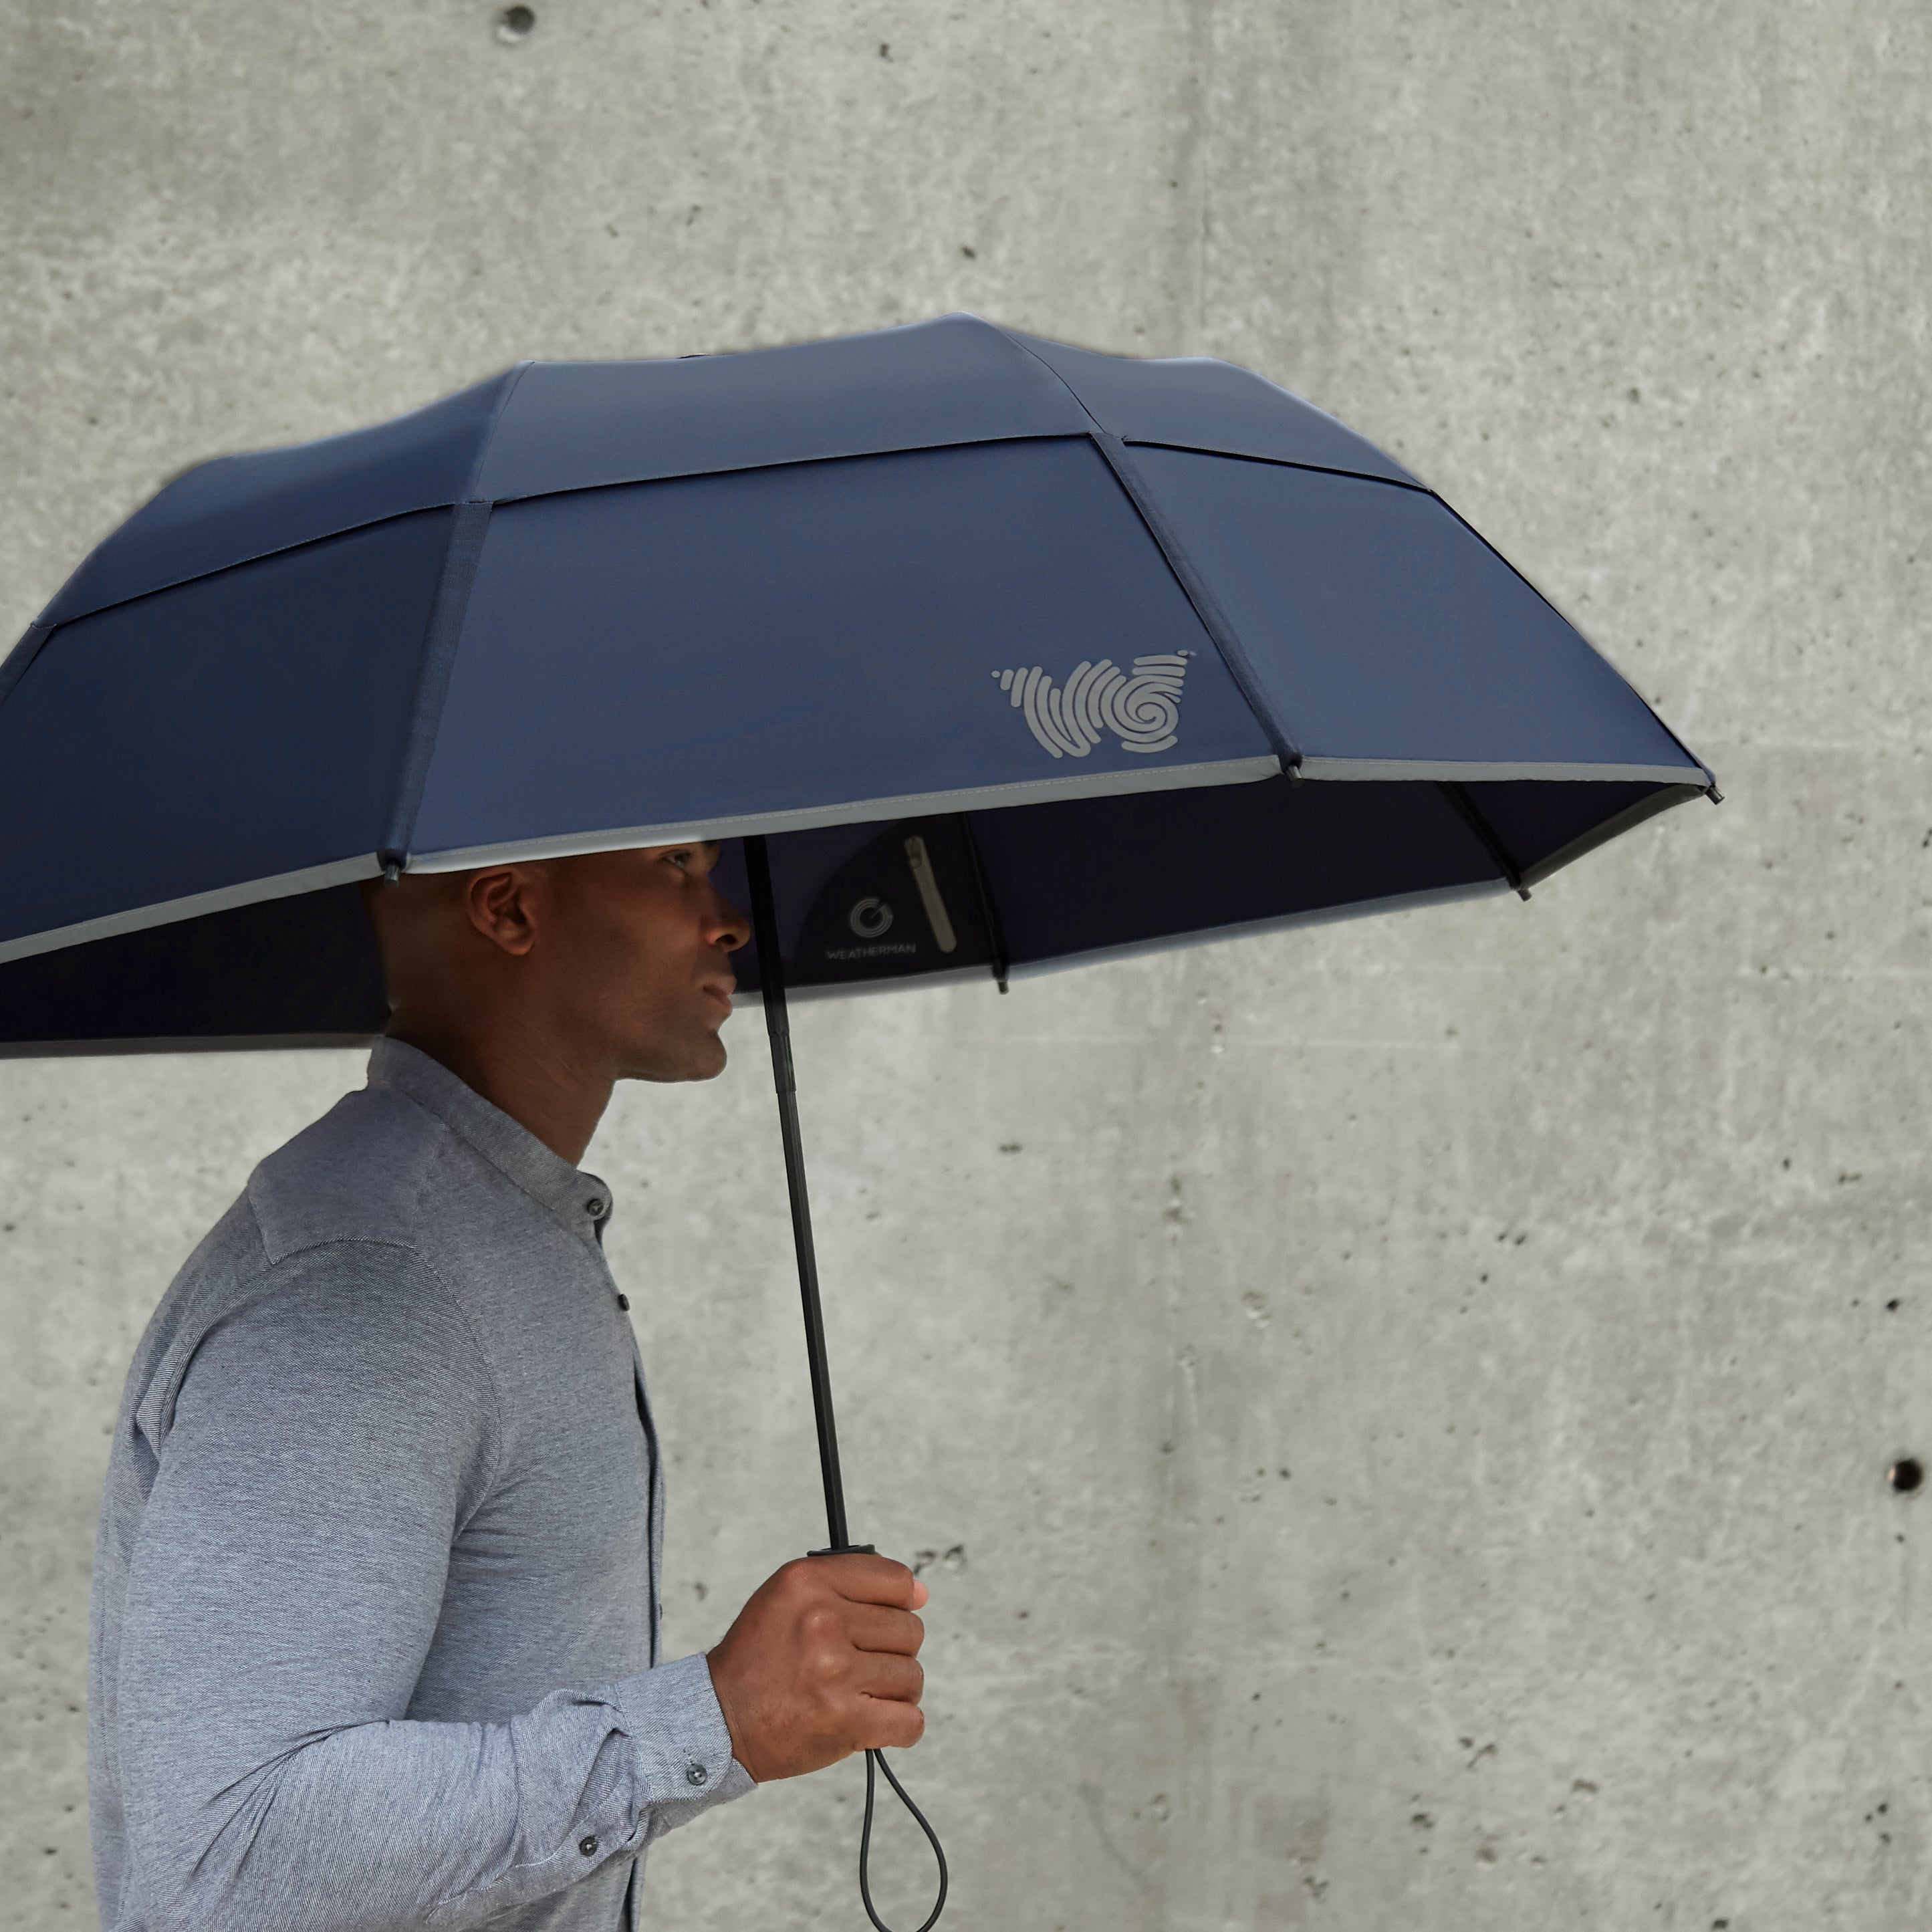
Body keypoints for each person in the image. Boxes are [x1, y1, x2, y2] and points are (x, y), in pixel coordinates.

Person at [88, 842, 928, 1931]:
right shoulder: (369, 1286)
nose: (727, 919)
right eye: (676, 866)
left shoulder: (494, 1230)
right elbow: (231, 1864)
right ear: (507, 908)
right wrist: (712, 1718)